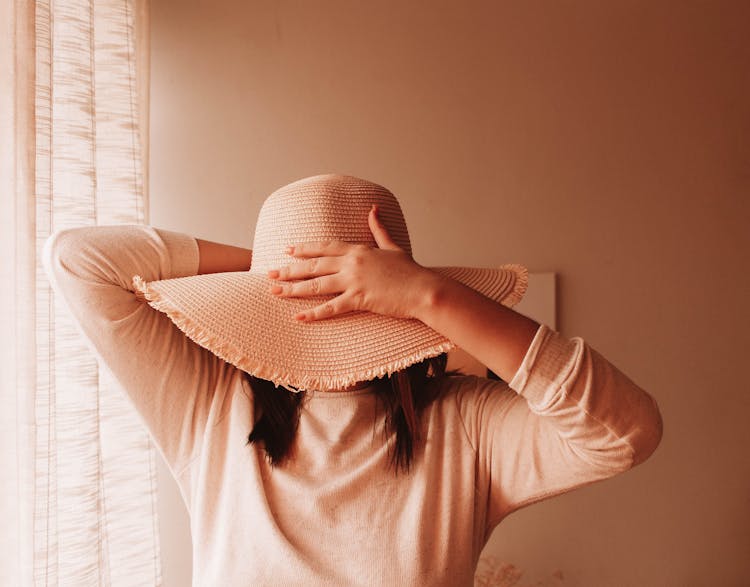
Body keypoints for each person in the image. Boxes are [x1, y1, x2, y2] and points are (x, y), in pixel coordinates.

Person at [43, 173, 663, 586]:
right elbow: (78, 259)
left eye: (353, 290)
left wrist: (430, 295)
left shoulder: (465, 426)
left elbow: (626, 432)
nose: (333, 310)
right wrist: (278, 275)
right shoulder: (209, 403)